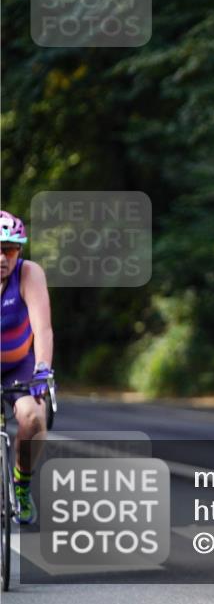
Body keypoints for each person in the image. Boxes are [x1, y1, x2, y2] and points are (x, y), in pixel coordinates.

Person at [0, 210, 54, 525]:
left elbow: (42, 329)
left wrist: (43, 369)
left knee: (34, 417)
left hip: (18, 365)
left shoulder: (29, 274)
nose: (2, 257)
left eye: (9, 250)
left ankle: (21, 486)